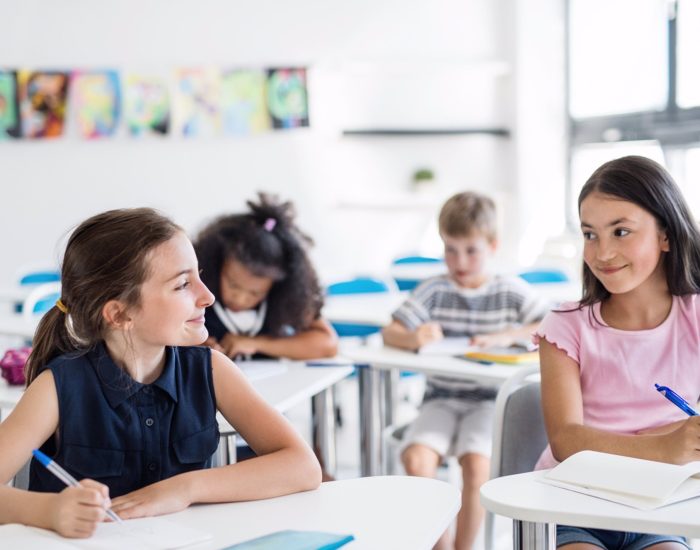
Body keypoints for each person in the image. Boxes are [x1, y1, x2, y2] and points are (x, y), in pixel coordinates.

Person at [0, 208, 321, 539]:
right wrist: (49, 512)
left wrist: (184, 489)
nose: (208, 296)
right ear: (120, 313)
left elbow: (302, 466)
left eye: (199, 276)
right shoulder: (57, 387)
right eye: (183, 284)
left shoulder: (212, 369)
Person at [536, 155, 700, 550]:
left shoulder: (694, 316)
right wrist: (663, 443)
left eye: (621, 231)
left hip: (658, 507)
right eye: (590, 234)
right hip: (571, 503)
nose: (602, 253)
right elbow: (566, 441)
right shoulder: (565, 325)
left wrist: (650, 440)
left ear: (666, 235)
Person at [382, 191, 550, 550]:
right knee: (416, 459)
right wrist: (413, 337)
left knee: (477, 468)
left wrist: (503, 335)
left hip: (489, 402)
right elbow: (389, 331)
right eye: (450, 249)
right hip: (440, 399)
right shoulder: (435, 289)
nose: (459, 261)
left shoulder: (509, 291)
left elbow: (550, 324)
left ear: (492, 245)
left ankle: (465, 547)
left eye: (471, 250)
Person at [194, 193, 337, 360]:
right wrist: (193, 346)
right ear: (217, 265)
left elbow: (328, 343)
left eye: (255, 293)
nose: (240, 299)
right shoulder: (198, 293)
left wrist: (255, 343)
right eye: (233, 285)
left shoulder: (285, 300)